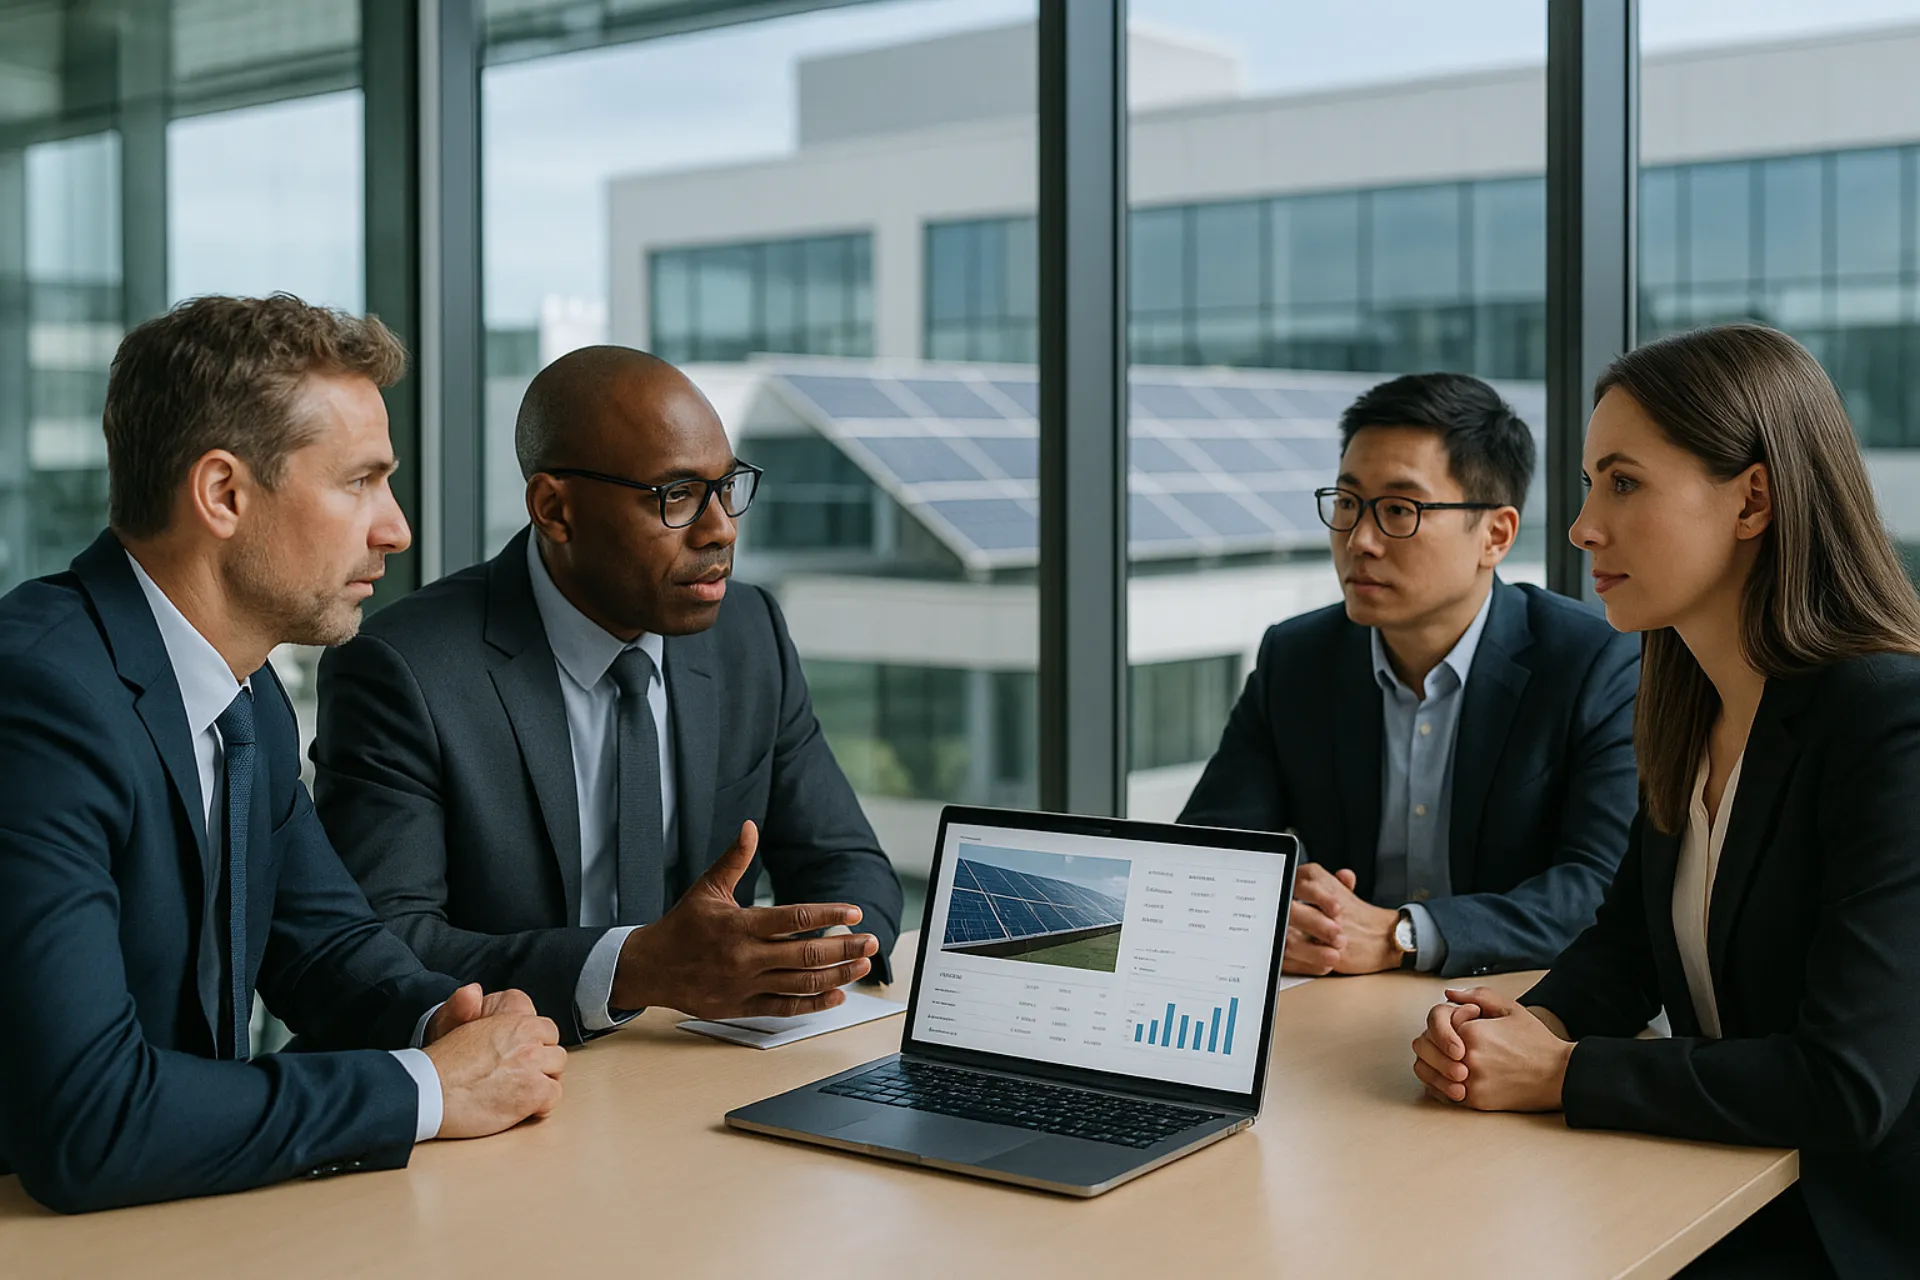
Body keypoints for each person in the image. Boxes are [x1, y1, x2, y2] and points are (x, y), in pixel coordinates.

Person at [0, 295, 566, 1214]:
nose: (396, 530)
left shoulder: (245, 689)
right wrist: (429, 1090)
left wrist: (451, 1019)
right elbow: (88, 1119)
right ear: (223, 494)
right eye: (360, 482)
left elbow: (325, 945)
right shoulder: (38, 700)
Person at [1413, 324, 1920, 1278]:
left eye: (1624, 481)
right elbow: (1629, 947)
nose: (1582, 525)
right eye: (1590, 482)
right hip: (1720, 1188)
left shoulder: (1890, 725)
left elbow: (1849, 1085)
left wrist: (1565, 1075)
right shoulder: (1689, 699)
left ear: (1753, 500)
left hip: (1852, 1234)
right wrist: (1527, 1028)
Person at [311, 345, 903, 1046]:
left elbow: (846, 865)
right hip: (505, 1081)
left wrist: (805, 953)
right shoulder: (404, 668)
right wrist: (629, 971)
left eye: (727, 485)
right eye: (676, 496)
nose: (721, 529)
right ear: (555, 509)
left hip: (699, 1065)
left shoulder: (750, 632)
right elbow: (385, 947)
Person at [1181, 373, 1639, 978]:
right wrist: (1277, 910)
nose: (1360, 540)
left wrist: (1403, 934)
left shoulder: (1593, 661)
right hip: (1337, 1001)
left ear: (1495, 535)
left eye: (1399, 510)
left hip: (1508, 1005)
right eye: (1347, 504)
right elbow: (1204, 856)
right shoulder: (1296, 658)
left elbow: (1599, 888)